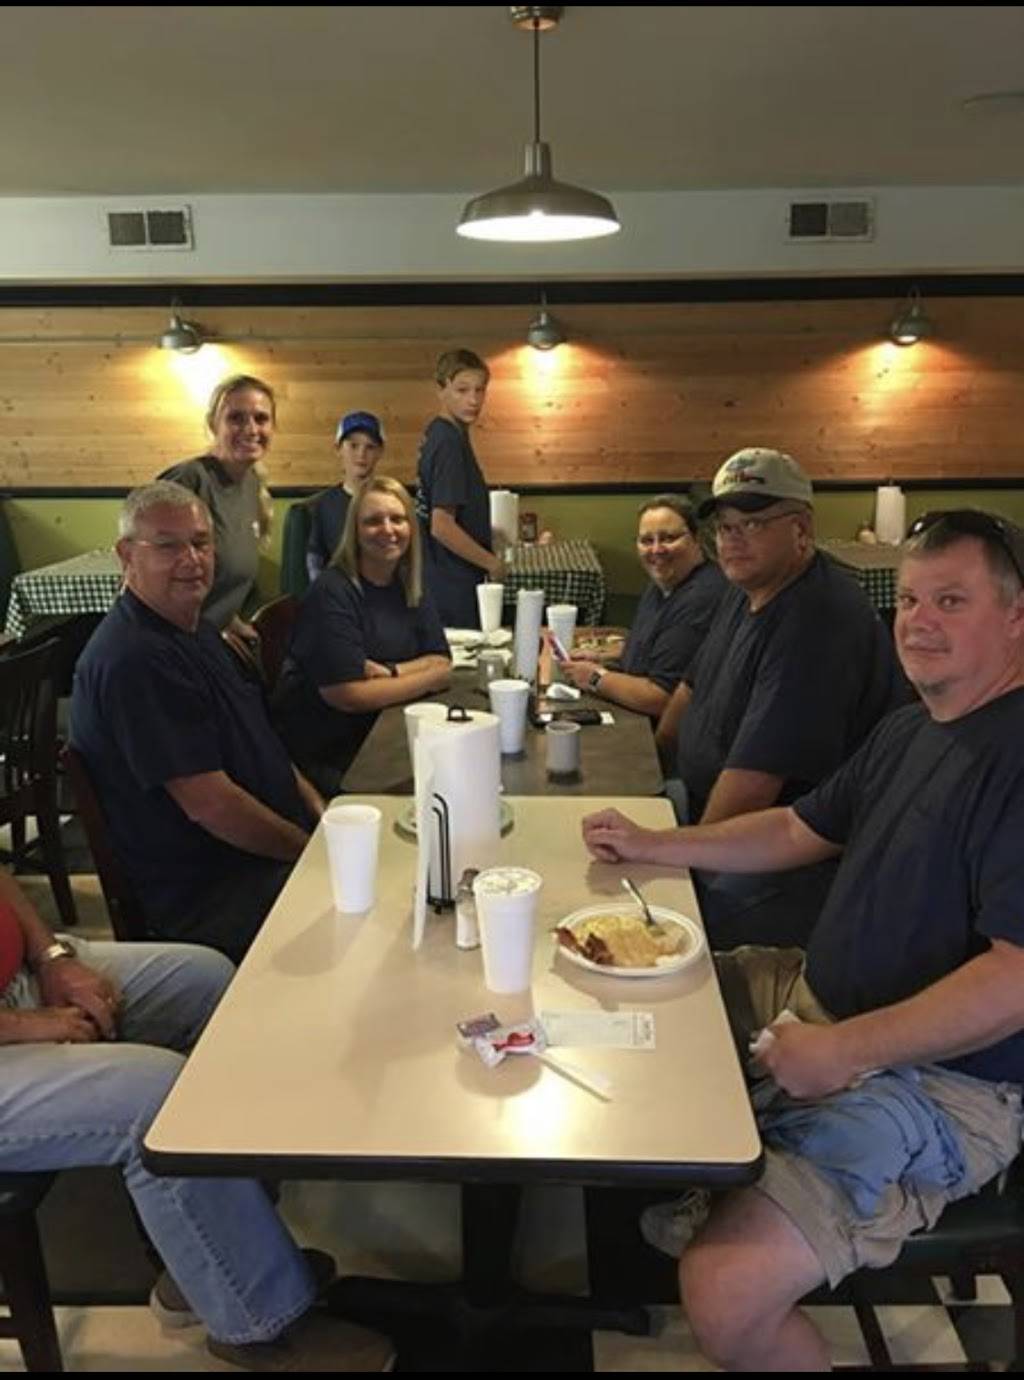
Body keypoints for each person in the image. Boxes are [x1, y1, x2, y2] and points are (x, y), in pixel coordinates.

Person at [582, 509, 1024, 1372]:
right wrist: (656, 843)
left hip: (943, 1083)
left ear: (1016, 617)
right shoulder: (912, 728)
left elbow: (1014, 979)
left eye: (952, 601)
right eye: (909, 600)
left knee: (726, 1291)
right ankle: (703, 1171)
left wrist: (843, 1050)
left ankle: (724, 1197)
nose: (919, 622)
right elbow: (795, 828)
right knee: (625, 999)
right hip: (815, 992)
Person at [0, 868, 391, 1371]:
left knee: (209, 983)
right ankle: (259, 1325)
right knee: (155, 1103)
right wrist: (22, 1026)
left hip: (18, 981)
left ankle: (207, 1263)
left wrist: (51, 958)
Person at [655, 447, 905, 947]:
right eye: (725, 526)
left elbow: (754, 788)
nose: (733, 540)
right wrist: (654, 776)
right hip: (710, 814)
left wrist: (682, 877)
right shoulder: (744, 586)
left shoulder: (818, 620)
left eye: (753, 523)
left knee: (664, 926)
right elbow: (689, 689)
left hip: (797, 861)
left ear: (801, 528)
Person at [70, 482, 324, 963]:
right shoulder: (133, 660)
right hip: (208, 893)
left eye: (201, 542)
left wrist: (318, 809)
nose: (191, 559)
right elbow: (213, 807)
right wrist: (311, 853)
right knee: (366, 909)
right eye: (168, 546)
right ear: (127, 555)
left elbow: (263, 743)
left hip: (258, 854)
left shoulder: (198, 629)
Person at [275, 476, 452, 793]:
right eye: (373, 521)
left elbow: (441, 658)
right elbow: (347, 695)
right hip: (335, 754)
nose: (388, 529)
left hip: (383, 732)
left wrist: (391, 672)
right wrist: (429, 678)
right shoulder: (331, 592)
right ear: (354, 530)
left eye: (397, 519)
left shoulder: (410, 583)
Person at [559, 495, 726, 719]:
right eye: (646, 541)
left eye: (668, 538)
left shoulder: (700, 598)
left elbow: (661, 698)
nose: (656, 549)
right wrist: (603, 657)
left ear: (696, 538)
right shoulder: (663, 583)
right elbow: (653, 648)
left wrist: (595, 677)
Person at [158, 373, 276, 654]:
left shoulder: (252, 483)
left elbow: (220, 584)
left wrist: (229, 621)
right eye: (236, 418)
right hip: (170, 647)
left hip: (208, 642)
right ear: (213, 424)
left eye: (261, 419)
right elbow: (150, 582)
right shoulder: (187, 481)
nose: (251, 429)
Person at [414, 348, 502, 627]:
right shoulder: (448, 442)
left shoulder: (440, 432)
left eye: (480, 390)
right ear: (441, 390)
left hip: (439, 575)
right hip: (451, 582)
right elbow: (442, 525)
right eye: (462, 390)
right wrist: (491, 563)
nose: (473, 400)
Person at [306, 410, 385, 581]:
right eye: (353, 446)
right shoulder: (325, 504)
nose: (361, 454)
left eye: (370, 447)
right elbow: (315, 558)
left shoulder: (389, 503)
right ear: (338, 449)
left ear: (380, 452)